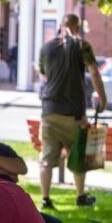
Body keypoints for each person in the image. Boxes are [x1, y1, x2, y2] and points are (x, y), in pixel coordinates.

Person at [38, 14, 107, 209]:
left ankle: (45, 199)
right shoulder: (81, 46)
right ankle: (80, 196)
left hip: (49, 111)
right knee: (77, 156)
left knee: (47, 158)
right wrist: (103, 99)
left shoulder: (46, 47)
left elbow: (43, 73)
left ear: (61, 26)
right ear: (77, 27)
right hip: (74, 113)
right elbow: (94, 71)